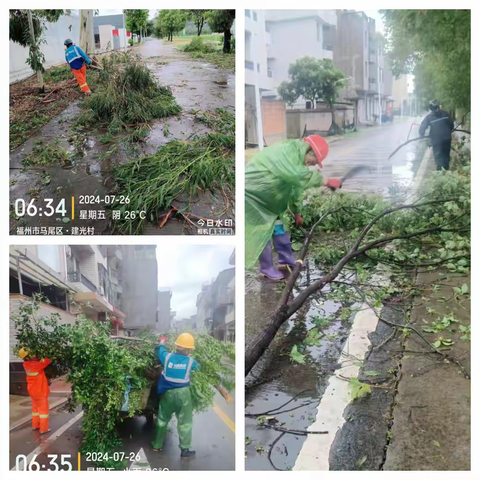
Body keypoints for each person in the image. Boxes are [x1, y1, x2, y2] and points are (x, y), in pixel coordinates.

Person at [245, 135, 342, 280]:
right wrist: (326, 181)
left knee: (280, 229)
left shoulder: (297, 162)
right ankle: (266, 268)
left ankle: (285, 260)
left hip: (271, 203)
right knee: (261, 233)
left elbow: (296, 188)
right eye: (312, 162)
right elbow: (298, 176)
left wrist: (297, 213)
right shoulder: (287, 150)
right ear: (309, 151)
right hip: (253, 197)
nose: (310, 165)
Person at [152, 334, 199, 458]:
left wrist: (162, 341)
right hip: (183, 394)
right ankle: (184, 450)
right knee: (185, 421)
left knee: (162, 419)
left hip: (167, 393)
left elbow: (160, 350)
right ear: (188, 350)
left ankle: (157, 445)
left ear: (177, 346)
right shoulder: (191, 362)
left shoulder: (167, 357)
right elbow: (197, 367)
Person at [19, 348, 51, 434]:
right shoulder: (35, 365)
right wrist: (51, 350)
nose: (34, 355)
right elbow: (47, 361)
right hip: (39, 391)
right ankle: (44, 429)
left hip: (33, 391)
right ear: (28, 357)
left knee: (36, 410)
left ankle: (35, 425)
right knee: (43, 411)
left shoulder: (26, 364)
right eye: (32, 354)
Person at [419, 99, 454, 170]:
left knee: (438, 155)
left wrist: (421, 134)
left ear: (431, 109)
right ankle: (446, 169)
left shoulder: (429, 117)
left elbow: (422, 127)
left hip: (436, 139)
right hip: (447, 138)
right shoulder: (446, 114)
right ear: (438, 106)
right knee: (445, 155)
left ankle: (440, 169)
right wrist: (450, 130)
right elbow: (451, 125)